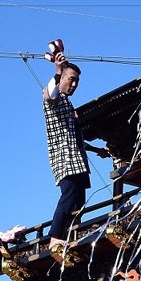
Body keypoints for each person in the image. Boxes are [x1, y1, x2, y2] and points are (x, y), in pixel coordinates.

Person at [43, 49, 103, 250]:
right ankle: (54, 237)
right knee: (68, 197)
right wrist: (58, 70)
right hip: (65, 159)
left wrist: (96, 150)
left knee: (79, 201)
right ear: (62, 78)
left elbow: (76, 138)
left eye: (77, 81)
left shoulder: (68, 104)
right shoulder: (56, 98)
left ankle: (70, 233)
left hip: (78, 159)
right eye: (71, 79)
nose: (74, 84)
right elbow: (48, 94)